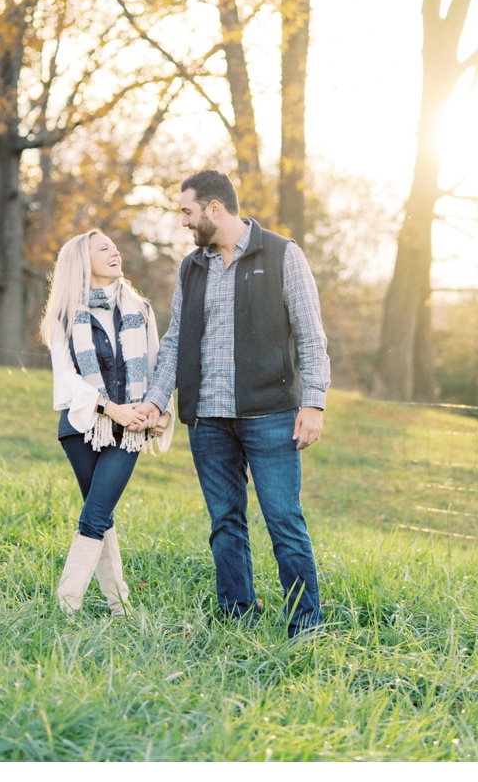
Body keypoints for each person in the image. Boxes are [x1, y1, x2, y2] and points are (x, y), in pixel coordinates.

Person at [129, 170, 330, 635]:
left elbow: (310, 333)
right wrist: (158, 402)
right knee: (225, 522)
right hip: (208, 421)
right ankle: (236, 617)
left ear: (214, 209)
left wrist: (314, 402)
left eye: (187, 211)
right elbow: (177, 339)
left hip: (271, 416)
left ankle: (306, 625)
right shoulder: (191, 266)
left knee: (284, 521)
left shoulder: (282, 254)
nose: (183, 222)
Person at [42, 229, 173, 616]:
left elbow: (155, 367)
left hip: (128, 432)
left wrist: (160, 410)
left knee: (96, 514)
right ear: (83, 262)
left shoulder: (139, 309)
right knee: (100, 514)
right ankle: (119, 608)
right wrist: (109, 408)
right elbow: (66, 380)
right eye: (104, 248)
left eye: (114, 247)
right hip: (82, 427)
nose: (115, 252)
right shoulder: (62, 314)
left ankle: (67, 606)